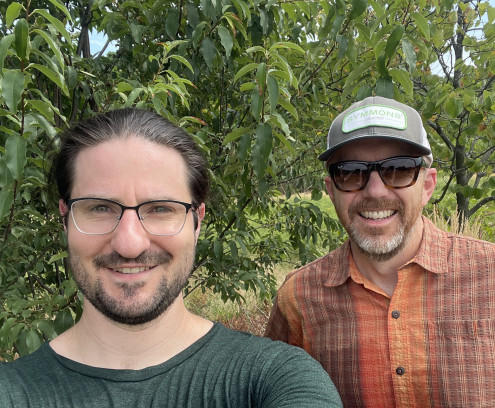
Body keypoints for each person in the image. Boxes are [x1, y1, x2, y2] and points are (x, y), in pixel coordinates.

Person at [0, 108, 342, 408]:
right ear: (65, 218)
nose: (130, 244)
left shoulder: (276, 379)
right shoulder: (13, 392)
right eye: (100, 208)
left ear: (197, 222)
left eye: (161, 209)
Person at [265, 96, 495, 407]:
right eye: (350, 172)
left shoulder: (489, 274)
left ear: (427, 185)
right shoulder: (299, 299)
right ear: (331, 191)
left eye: (398, 169)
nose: (375, 191)